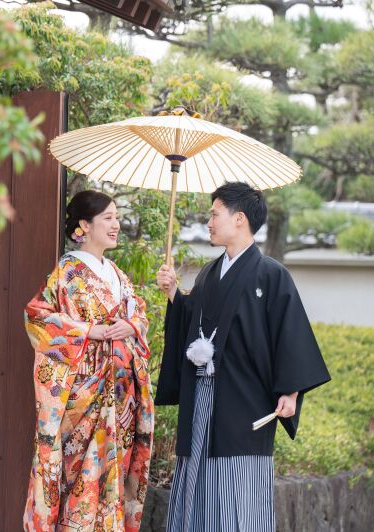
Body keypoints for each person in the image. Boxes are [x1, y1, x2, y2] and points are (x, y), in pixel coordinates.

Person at [154, 181, 331, 532]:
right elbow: (195, 323)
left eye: (214, 215)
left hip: (245, 399)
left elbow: (290, 334)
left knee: (238, 485)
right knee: (197, 479)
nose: (208, 223)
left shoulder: (272, 274)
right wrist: (174, 292)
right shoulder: (209, 273)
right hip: (202, 394)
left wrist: (291, 390)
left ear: (239, 219)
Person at [23, 190, 154, 531]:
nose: (116, 224)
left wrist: (132, 325)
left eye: (117, 217)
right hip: (85, 391)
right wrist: (87, 331)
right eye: (108, 218)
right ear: (84, 225)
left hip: (121, 393)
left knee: (114, 474)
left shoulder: (117, 274)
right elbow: (37, 317)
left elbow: (139, 314)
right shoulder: (67, 271)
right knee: (81, 474)